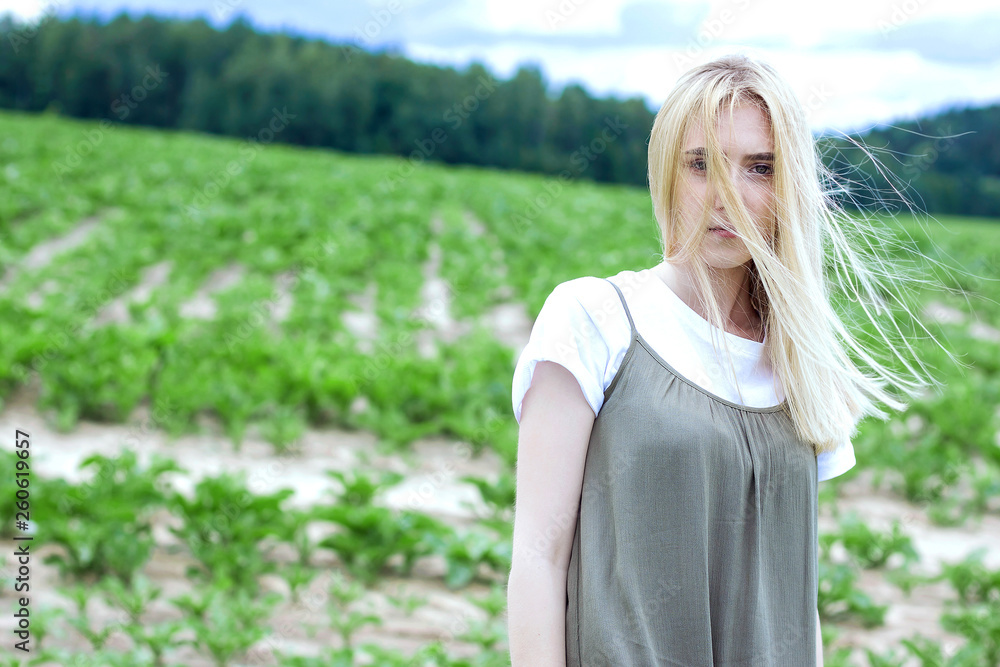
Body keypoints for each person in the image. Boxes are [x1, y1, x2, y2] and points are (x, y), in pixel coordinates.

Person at [506, 53, 944, 666]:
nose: (728, 197)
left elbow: (797, 600)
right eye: (701, 164)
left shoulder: (800, 357)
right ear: (667, 174)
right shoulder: (595, 319)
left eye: (759, 168)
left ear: (787, 187)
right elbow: (537, 558)